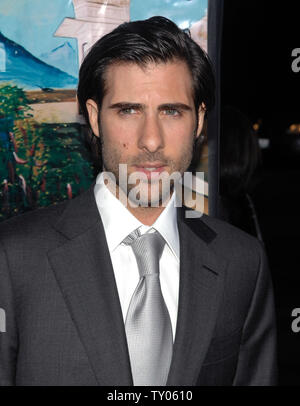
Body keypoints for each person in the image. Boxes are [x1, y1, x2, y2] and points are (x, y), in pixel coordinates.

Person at [0, 16, 277, 386]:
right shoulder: (13, 259)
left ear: (198, 122)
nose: (150, 140)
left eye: (171, 111)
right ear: (96, 119)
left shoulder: (243, 263)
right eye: (129, 110)